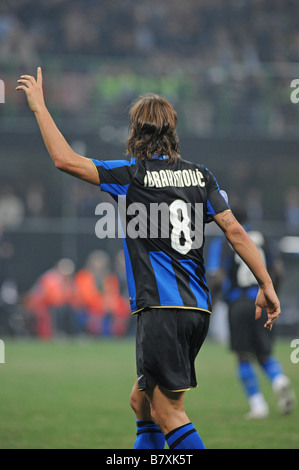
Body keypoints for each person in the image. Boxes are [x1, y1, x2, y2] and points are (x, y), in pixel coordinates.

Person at [16, 68, 281, 450]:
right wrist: (266, 284)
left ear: (136, 132)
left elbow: (64, 160)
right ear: (172, 131)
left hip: (161, 310)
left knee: (170, 414)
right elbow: (236, 232)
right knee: (141, 403)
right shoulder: (202, 177)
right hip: (197, 312)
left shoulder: (131, 175)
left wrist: (40, 107)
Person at [207, 205, 295, 419]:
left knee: (243, 355)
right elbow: (279, 270)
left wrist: (214, 300)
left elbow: (217, 276)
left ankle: (258, 405)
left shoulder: (223, 241)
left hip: (238, 304)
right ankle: (278, 379)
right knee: (264, 352)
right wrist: (274, 295)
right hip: (263, 301)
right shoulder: (265, 237)